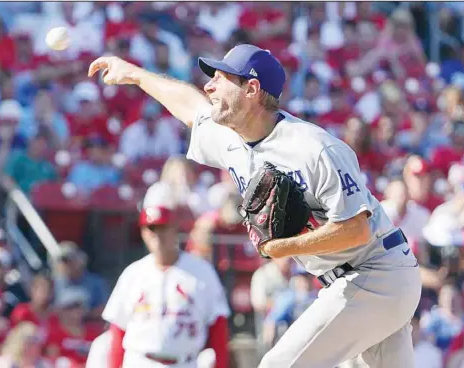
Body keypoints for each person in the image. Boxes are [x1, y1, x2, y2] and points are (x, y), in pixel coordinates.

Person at [88, 43, 422, 367]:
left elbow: (356, 229)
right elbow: (189, 105)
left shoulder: (314, 149)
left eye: (221, 78)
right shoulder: (232, 137)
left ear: (251, 88)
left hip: (377, 272)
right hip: (359, 281)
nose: (209, 85)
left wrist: (283, 247)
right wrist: (134, 74)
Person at [101, 181, 231, 367]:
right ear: (143, 231)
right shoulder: (133, 274)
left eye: (163, 227)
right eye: (151, 228)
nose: (158, 235)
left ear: (175, 227)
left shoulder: (202, 273)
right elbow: (117, 332)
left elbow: (218, 330)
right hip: (140, 361)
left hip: (185, 362)